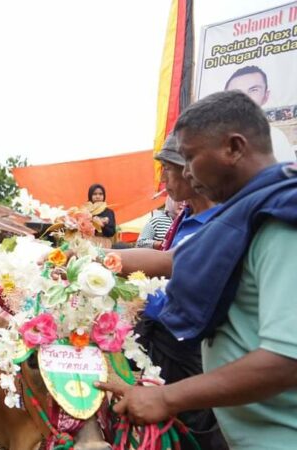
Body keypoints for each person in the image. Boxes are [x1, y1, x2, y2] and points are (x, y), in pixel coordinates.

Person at [99, 91, 297, 449]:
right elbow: (172, 261)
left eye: (190, 157)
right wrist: (90, 261)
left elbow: (287, 359)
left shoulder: (283, 219)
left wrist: (167, 398)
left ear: (233, 148)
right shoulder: (242, 216)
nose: (186, 172)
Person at [127, 133, 227, 450]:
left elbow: (167, 263)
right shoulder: (184, 218)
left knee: (190, 429)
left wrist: (101, 258)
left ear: (189, 170)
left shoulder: (218, 223)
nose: (164, 178)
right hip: (156, 335)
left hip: (187, 347)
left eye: (168, 169)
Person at [224, 65, 294, 162]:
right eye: (236, 92)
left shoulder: (275, 137)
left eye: (254, 90)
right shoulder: (211, 138)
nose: (245, 97)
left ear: (266, 96)